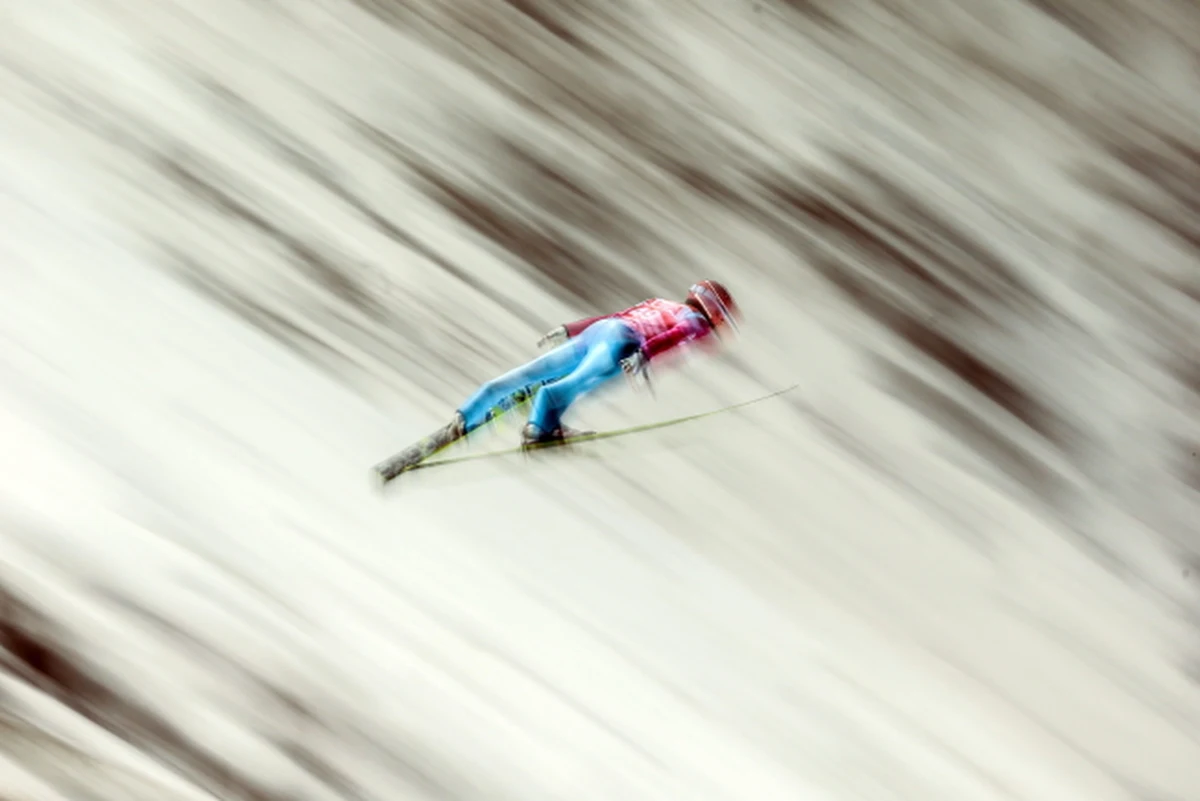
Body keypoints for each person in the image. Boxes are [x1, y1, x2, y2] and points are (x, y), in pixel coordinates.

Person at [389, 280, 739, 472]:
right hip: (623, 342)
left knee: (524, 374)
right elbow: (674, 337)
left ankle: (464, 417)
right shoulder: (696, 324)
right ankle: (539, 431)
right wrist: (644, 355)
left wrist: (568, 330)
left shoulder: (660, 302)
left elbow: (615, 315)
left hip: (602, 330)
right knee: (568, 388)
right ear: (714, 312)